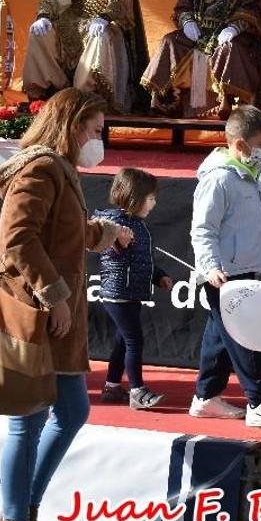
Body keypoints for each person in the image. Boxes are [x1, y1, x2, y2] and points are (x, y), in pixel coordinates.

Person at [0, 89, 134, 521]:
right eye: (94, 129)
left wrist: (104, 234)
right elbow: (18, 240)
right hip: (35, 313)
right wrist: (53, 293)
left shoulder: (59, 169)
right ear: (71, 125)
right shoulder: (41, 168)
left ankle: (21, 520)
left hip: (54, 314)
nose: (99, 139)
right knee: (28, 420)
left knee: (68, 410)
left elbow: (62, 230)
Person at [188, 105, 261, 428]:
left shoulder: (247, 175)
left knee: (218, 337)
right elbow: (202, 229)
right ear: (240, 145)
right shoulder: (219, 179)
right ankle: (258, 402)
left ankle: (205, 397)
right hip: (223, 275)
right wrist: (210, 267)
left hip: (242, 268)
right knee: (244, 336)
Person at [93, 167, 173, 410]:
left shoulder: (137, 225)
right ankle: (138, 391)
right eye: (150, 198)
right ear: (134, 198)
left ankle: (112, 386)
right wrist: (119, 243)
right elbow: (107, 249)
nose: (154, 203)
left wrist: (158, 276)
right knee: (134, 341)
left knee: (122, 341)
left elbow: (141, 259)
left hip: (131, 293)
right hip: (118, 293)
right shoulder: (113, 222)